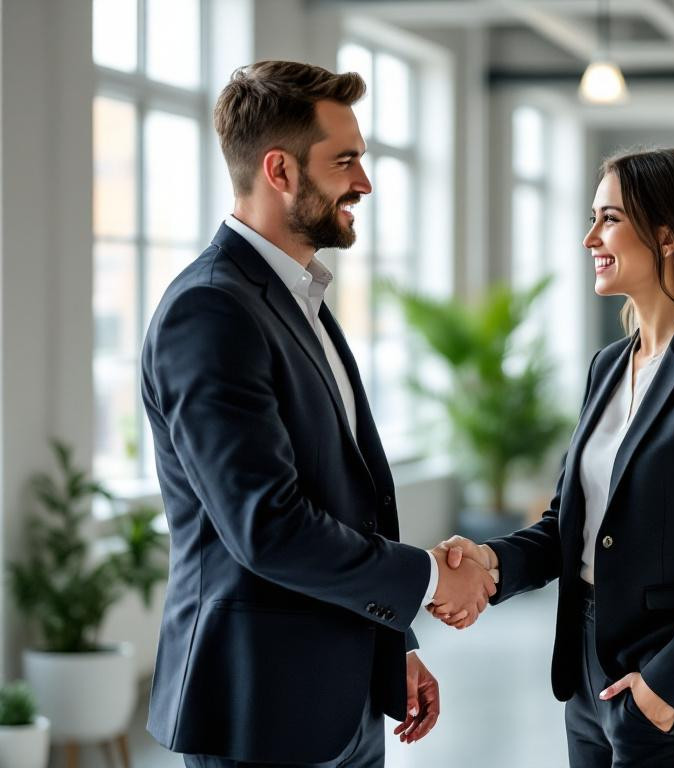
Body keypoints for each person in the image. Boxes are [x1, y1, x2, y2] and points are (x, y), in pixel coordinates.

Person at [141, 61, 495, 767]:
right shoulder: (210, 310)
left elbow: (341, 502)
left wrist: (393, 643)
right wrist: (429, 578)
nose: (363, 182)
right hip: (260, 708)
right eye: (344, 161)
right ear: (279, 170)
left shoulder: (298, 298)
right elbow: (267, 527)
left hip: (344, 694)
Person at [433, 148, 674, 767]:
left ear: (668, 236)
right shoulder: (608, 365)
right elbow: (568, 527)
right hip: (587, 674)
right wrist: (491, 563)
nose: (590, 237)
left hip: (670, 685)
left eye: (610, 218)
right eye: (592, 218)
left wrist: (667, 684)